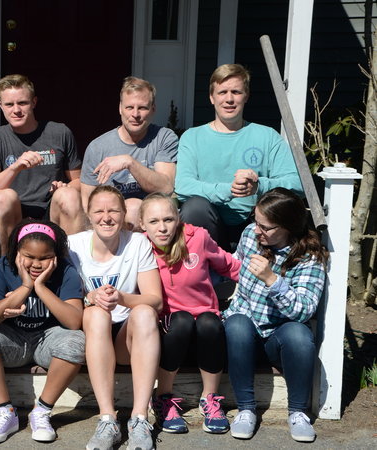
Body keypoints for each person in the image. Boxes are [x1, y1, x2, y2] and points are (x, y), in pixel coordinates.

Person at [0, 219, 85, 444]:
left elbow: (73, 321)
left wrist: (40, 287)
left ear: (55, 256)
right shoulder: (0, 267)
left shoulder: (65, 270)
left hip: (48, 340)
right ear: (17, 252)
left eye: (45, 257)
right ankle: (5, 412)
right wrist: (25, 286)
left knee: (77, 340)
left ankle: (42, 411)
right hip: (12, 341)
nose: (36, 264)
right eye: (29, 256)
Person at [224, 188, 328, 442]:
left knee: (299, 334)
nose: (257, 230)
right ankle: (246, 409)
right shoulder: (250, 236)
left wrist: (272, 280)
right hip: (243, 332)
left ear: (288, 227)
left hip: (277, 339)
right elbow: (233, 265)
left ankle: (298, 413)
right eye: (256, 221)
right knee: (237, 324)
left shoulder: (309, 257)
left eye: (266, 227)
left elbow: (304, 310)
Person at [68, 185, 163, 450]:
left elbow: (155, 299)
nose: (106, 217)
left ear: (123, 214)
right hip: (92, 331)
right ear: (89, 215)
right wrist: (90, 297)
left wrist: (121, 298)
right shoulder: (73, 245)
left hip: (126, 338)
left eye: (113, 211)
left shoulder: (137, 242)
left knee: (145, 312)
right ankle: (107, 419)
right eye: (99, 211)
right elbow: (67, 300)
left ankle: (139, 418)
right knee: (97, 313)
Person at [138, 193, 241, 435]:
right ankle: (163, 397)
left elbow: (229, 265)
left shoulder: (198, 238)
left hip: (205, 323)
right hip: (170, 327)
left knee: (209, 322)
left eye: (168, 219)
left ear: (178, 218)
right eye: (153, 221)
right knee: (182, 320)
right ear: (142, 224)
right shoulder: (140, 246)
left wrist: (266, 279)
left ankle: (210, 398)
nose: (162, 228)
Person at [175, 64, 303, 250]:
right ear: (211, 97)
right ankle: (204, 265)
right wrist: (229, 190)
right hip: (210, 225)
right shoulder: (192, 137)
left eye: (236, 92)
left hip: (257, 225)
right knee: (195, 208)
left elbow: (298, 184)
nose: (229, 99)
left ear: (246, 96)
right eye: (222, 92)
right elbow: (183, 186)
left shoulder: (267, 136)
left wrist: (259, 186)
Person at [0, 74, 83, 254]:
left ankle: (71, 263)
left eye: (22, 103)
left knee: (68, 194)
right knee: (3, 198)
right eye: (9, 104)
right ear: (0, 105)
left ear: (34, 102)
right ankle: (5, 265)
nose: (16, 110)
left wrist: (64, 187)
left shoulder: (59, 132)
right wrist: (15, 167)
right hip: (15, 210)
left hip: (51, 208)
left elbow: (79, 180)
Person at [80, 76, 178, 230]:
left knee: (133, 207)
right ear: (120, 108)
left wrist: (129, 162)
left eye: (143, 108)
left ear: (153, 109)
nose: (135, 114)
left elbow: (166, 188)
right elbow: (88, 203)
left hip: (155, 223)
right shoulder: (98, 147)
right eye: (129, 107)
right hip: (109, 223)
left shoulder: (164, 138)